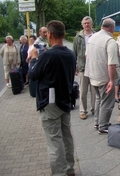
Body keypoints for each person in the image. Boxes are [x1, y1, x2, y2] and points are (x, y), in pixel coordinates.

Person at [28, 20, 76, 176]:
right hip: (65, 100)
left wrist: (34, 59)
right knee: (66, 137)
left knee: (54, 141)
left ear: (49, 34)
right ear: (63, 33)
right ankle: (70, 169)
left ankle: (59, 173)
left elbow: (33, 75)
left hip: (49, 102)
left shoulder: (46, 55)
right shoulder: (70, 53)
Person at [84, 18, 120, 133]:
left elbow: (86, 55)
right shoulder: (110, 41)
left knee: (99, 99)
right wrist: (111, 80)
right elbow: (112, 64)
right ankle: (103, 126)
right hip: (104, 76)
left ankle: (97, 122)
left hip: (92, 74)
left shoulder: (92, 37)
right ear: (112, 28)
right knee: (107, 102)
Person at [73, 16, 96, 120]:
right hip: (82, 66)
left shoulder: (96, 36)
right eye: (85, 23)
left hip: (95, 67)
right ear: (82, 25)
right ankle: (83, 111)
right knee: (83, 91)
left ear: (91, 24)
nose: (87, 25)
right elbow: (74, 53)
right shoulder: (78, 37)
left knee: (94, 90)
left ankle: (94, 109)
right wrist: (74, 67)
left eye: (88, 23)